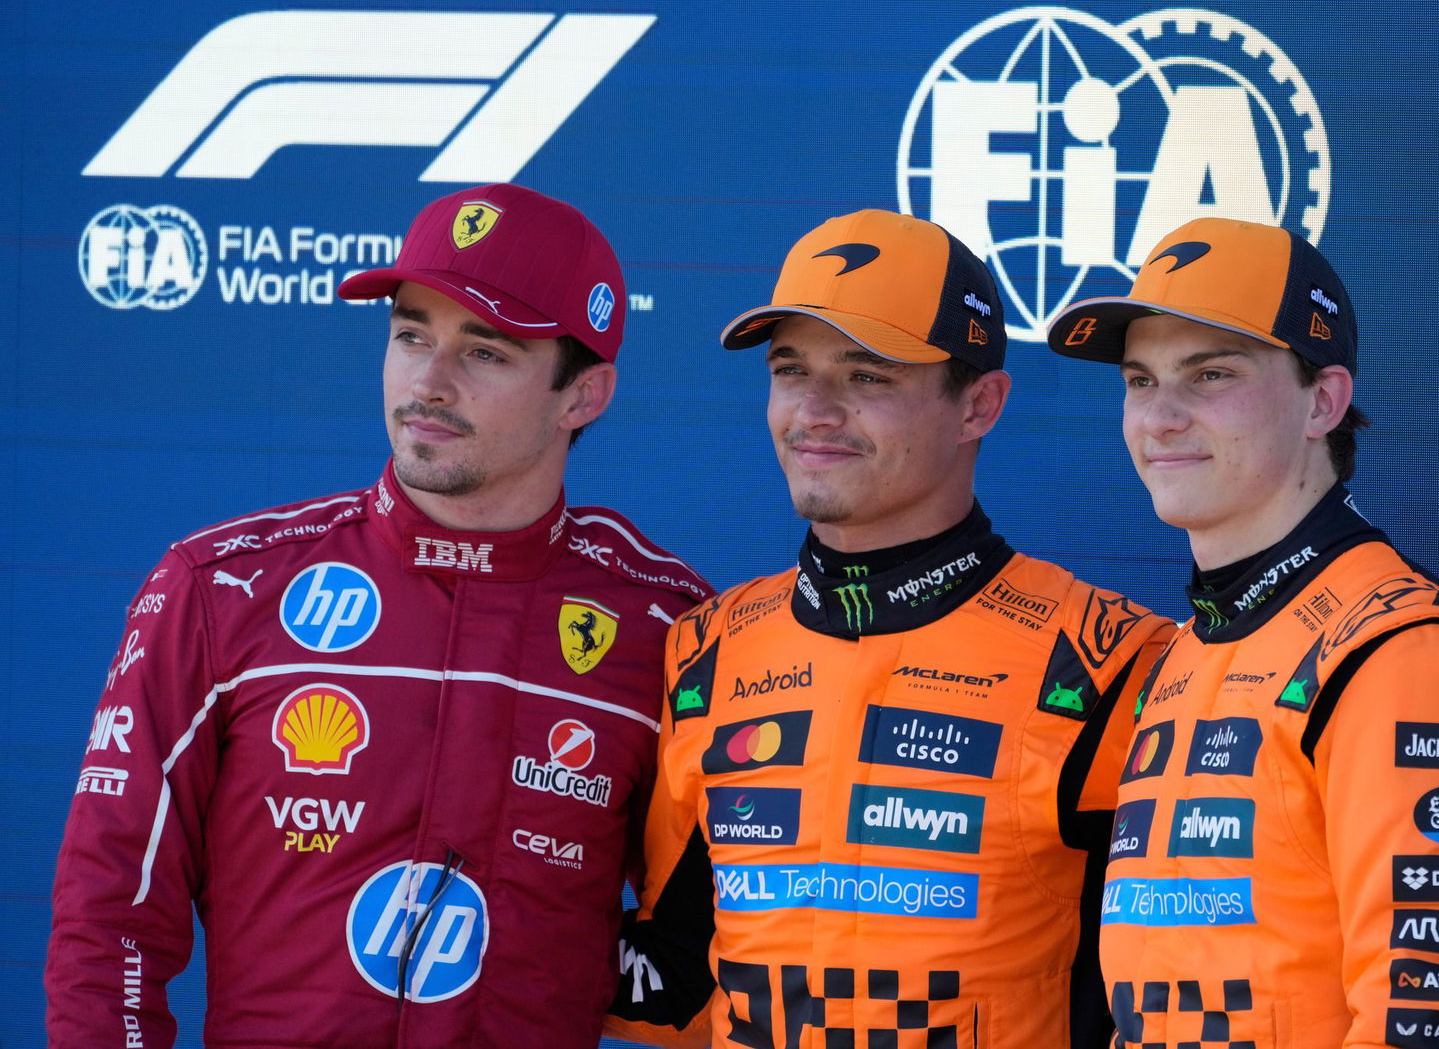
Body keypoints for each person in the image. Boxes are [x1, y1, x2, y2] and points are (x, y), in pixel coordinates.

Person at [46, 183, 710, 1048]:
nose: (428, 383)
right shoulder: (219, 587)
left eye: (486, 353)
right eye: (409, 336)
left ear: (583, 396)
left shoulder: (671, 626)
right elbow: (111, 916)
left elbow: (710, 942)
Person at [607, 209, 1174, 1048]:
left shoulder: (1111, 659)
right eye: (790, 369)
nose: (815, 410)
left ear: (979, 404)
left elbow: (1185, 982)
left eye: (867, 375)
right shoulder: (707, 648)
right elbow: (679, 969)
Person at [1046, 217, 1439, 1049]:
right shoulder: (1187, 650)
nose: (1159, 417)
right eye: (1140, 381)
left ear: (1324, 401)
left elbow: (1422, 1027)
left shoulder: (1403, 654)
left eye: (1209, 375)